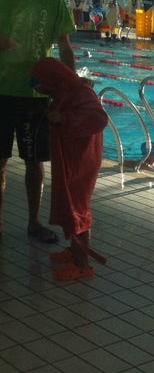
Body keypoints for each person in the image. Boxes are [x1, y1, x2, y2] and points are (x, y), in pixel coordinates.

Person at [0, 0, 76, 243]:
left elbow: (66, 47)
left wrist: (71, 91)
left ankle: (33, 223)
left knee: (36, 162)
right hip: (1, 93)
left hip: (37, 95)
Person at [30, 57, 108, 280]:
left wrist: (64, 117)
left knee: (77, 210)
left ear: (52, 79)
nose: (37, 89)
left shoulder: (81, 93)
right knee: (69, 207)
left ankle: (83, 266)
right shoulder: (66, 92)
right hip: (72, 159)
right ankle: (74, 252)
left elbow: (99, 119)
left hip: (81, 163)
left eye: (37, 83)